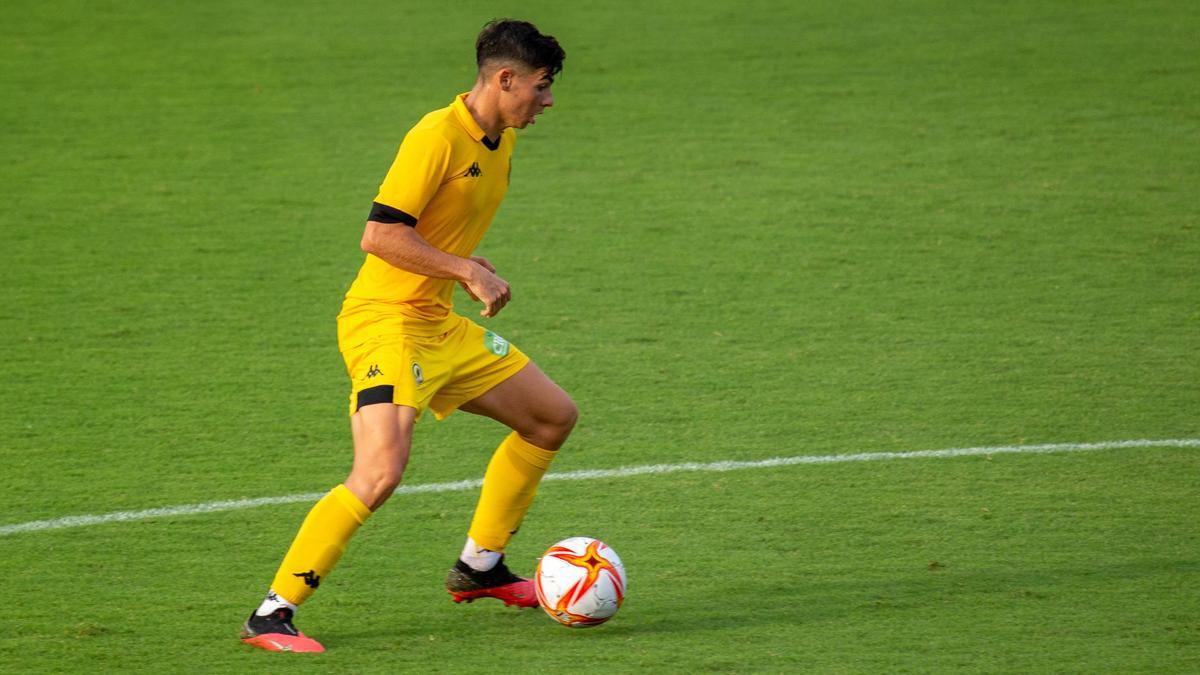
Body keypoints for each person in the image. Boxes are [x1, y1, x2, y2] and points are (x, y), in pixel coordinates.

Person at [239, 19, 573, 653]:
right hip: (386, 322)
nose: (548, 101)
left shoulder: (499, 139)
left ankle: (479, 568)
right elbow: (379, 236)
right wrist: (463, 269)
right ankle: (272, 613)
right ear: (505, 79)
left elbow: (434, 230)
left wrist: (463, 263)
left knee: (552, 417)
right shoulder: (437, 136)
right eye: (542, 85)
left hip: (434, 322)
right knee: (381, 470)